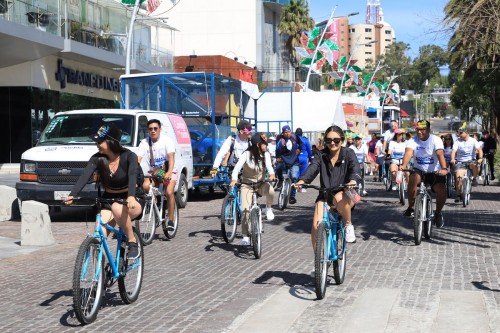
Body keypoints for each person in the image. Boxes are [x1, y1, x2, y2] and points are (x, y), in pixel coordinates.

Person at [64, 124, 143, 259]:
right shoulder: (97, 158)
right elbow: (84, 176)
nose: (97, 144)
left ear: (111, 142)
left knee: (118, 208)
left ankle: (132, 241)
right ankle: (100, 275)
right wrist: (72, 195)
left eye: (100, 141)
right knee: (99, 236)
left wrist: (130, 196)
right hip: (109, 199)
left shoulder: (129, 156)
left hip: (132, 198)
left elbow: (132, 176)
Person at [295, 125, 361, 250]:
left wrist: (353, 180)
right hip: (325, 195)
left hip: (344, 193)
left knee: (339, 196)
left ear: (342, 140)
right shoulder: (321, 154)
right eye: (328, 140)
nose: (332, 143)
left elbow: (355, 168)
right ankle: (319, 262)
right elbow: (312, 168)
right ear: (325, 141)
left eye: (336, 140)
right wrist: (302, 180)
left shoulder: (348, 153)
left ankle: (348, 225)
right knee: (316, 227)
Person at [229, 133, 276, 245]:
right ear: (257, 145)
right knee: (245, 211)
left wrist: (272, 174)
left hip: (260, 184)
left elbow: (269, 167)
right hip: (247, 185)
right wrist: (234, 179)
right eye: (264, 144)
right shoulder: (246, 154)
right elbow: (236, 168)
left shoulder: (266, 155)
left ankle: (268, 209)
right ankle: (245, 236)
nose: (266, 146)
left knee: (271, 190)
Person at [400, 120, 447, 228]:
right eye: (418, 130)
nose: (420, 132)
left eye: (423, 130)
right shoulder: (412, 140)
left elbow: (440, 154)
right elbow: (408, 153)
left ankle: (438, 213)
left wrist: (444, 168)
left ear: (429, 130)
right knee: (413, 178)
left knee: (441, 189)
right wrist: (403, 165)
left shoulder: (436, 140)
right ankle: (411, 207)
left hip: (434, 171)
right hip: (419, 170)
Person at [137, 119, 177, 227]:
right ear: (148, 130)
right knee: (145, 186)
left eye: (155, 128)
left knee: (169, 192)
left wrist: (169, 173)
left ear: (160, 129)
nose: (153, 131)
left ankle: (171, 220)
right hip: (154, 171)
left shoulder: (167, 141)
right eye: (150, 129)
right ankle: (155, 206)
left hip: (168, 169)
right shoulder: (144, 143)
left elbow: (171, 158)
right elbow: (138, 159)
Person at [450, 124, 483, 201]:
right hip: (460, 162)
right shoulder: (457, 141)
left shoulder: (473, 141)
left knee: (475, 164)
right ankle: (458, 194)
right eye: (458, 132)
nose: (459, 134)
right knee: (458, 177)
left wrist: (480, 158)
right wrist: (452, 159)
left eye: (461, 133)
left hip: (471, 160)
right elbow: (453, 151)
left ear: (466, 132)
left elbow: (480, 150)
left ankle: (474, 178)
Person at [275, 125, 303, 204]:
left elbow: (302, 144)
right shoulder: (280, 139)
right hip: (284, 160)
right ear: (282, 133)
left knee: (294, 178)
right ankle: (280, 180)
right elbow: (277, 149)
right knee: (278, 169)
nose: (288, 134)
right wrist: (277, 158)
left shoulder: (295, 137)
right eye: (286, 132)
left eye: (289, 132)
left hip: (294, 161)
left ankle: (292, 197)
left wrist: (299, 149)